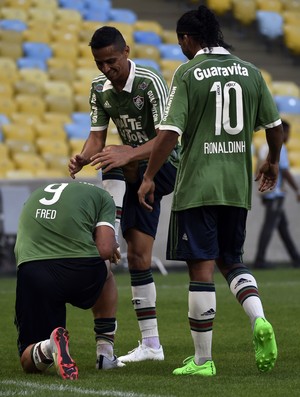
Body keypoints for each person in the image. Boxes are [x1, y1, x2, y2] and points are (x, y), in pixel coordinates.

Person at [138, 5, 282, 376]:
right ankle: (259, 319)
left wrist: (150, 175)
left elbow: (169, 132)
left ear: (187, 39)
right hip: (236, 187)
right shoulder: (251, 71)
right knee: (231, 260)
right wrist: (273, 162)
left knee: (200, 270)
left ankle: (203, 361)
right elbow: (275, 125)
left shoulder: (188, 73)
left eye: (180, 42)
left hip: (198, 184)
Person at [68, 26, 179, 362]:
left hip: (163, 167)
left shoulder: (149, 82)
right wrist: (84, 155)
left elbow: (166, 138)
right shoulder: (99, 89)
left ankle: (108, 230)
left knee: (115, 157)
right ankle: (151, 345)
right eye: (100, 63)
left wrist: (127, 153)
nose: (106, 69)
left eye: (111, 61)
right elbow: (96, 138)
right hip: (131, 173)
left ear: (126, 51)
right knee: (140, 257)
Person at [14, 181, 124, 380]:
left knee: (27, 361)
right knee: (107, 272)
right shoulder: (103, 197)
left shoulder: (38, 193)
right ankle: (105, 354)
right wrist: (112, 246)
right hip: (78, 270)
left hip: (33, 271)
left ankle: (49, 346)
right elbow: (105, 248)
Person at [254, 119, 300, 269]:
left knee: (282, 227)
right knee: (269, 225)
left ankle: (295, 257)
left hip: (269, 193)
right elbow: (285, 171)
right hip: (275, 193)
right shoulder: (280, 148)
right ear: (283, 132)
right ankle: (259, 260)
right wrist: (297, 189)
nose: (288, 137)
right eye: (287, 133)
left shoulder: (263, 147)